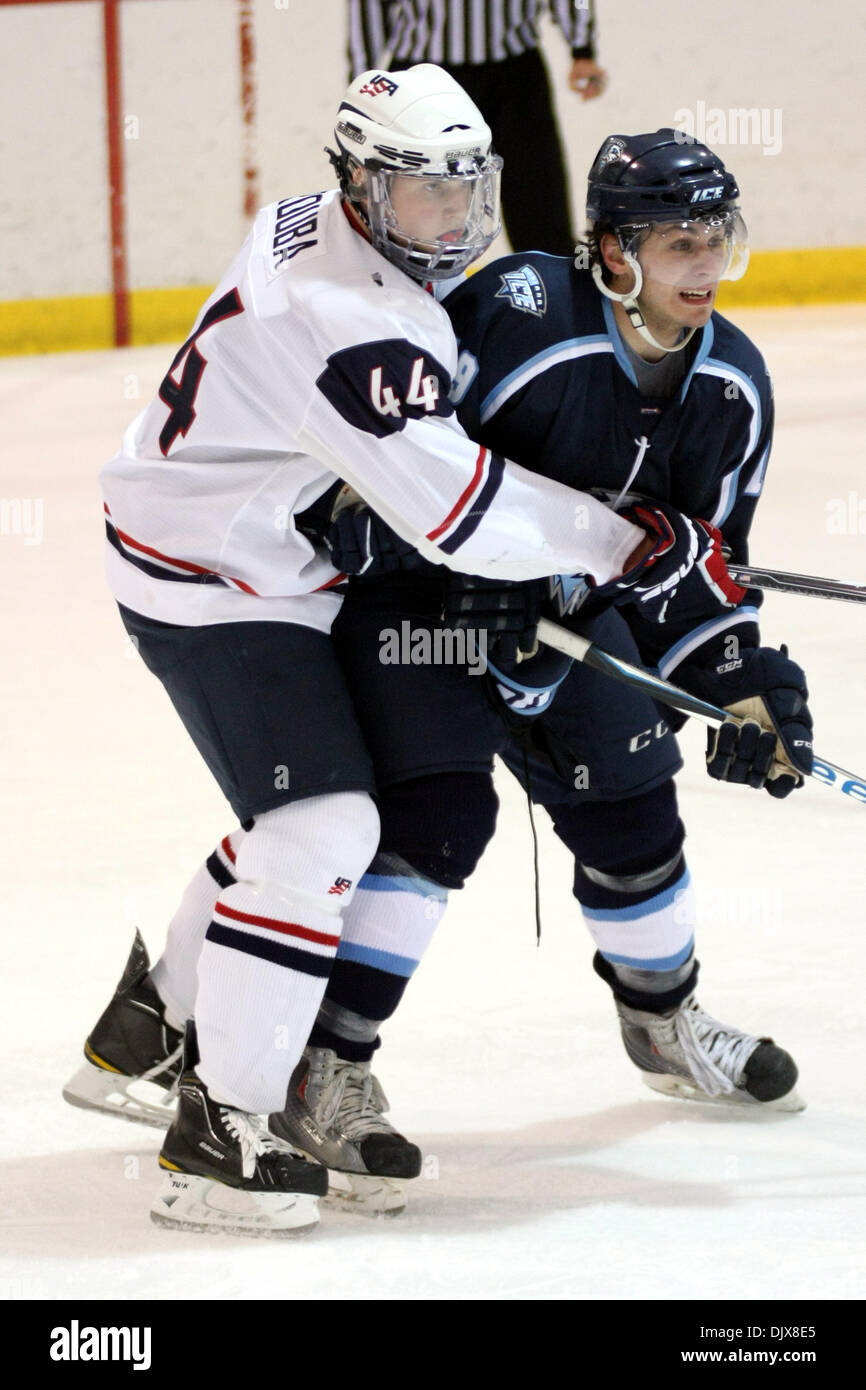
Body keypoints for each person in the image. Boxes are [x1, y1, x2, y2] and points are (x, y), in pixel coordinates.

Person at [63, 74, 726, 1233]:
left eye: (470, 189)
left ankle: (153, 1021)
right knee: (324, 828)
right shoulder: (352, 318)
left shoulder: (303, 219)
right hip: (217, 576)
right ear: (359, 186)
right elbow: (456, 515)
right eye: (422, 195)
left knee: (312, 812)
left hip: (246, 541)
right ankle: (222, 1131)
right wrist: (624, 539)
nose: (455, 222)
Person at [292, 129, 813, 1157]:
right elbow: (383, 462)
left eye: (716, 238)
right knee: (437, 820)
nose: (704, 264)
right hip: (420, 610)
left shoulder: (730, 386)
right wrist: (437, 572)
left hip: (562, 615)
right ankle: (327, 1068)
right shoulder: (520, 317)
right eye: (676, 242)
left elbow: (698, 569)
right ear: (613, 251)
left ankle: (660, 1022)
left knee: (634, 811)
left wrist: (743, 686)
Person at [347, 1, 606, 254]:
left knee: (537, 197)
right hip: (420, 81)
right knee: (415, 204)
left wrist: (581, 47)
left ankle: (553, 288)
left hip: (515, 74)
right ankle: (396, 285)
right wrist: (363, 83)